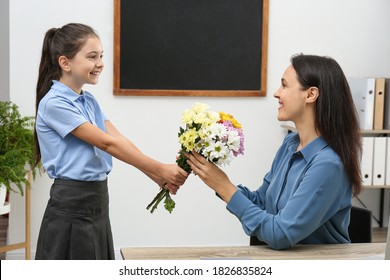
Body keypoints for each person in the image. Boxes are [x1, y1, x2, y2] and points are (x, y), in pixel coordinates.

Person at [33, 23, 188, 259]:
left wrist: (155, 175)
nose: (100, 63)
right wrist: (159, 169)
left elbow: (118, 138)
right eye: (92, 56)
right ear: (65, 63)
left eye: (101, 56)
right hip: (72, 203)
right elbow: (107, 144)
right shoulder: (54, 103)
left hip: (97, 199)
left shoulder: (89, 101)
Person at [186, 54, 362, 250]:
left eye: (284, 85)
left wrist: (225, 187)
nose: (277, 93)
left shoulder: (328, 164)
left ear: (311, 94)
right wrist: (216, 179)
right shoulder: (290, 144)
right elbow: (262, 201)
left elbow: (280, 234)